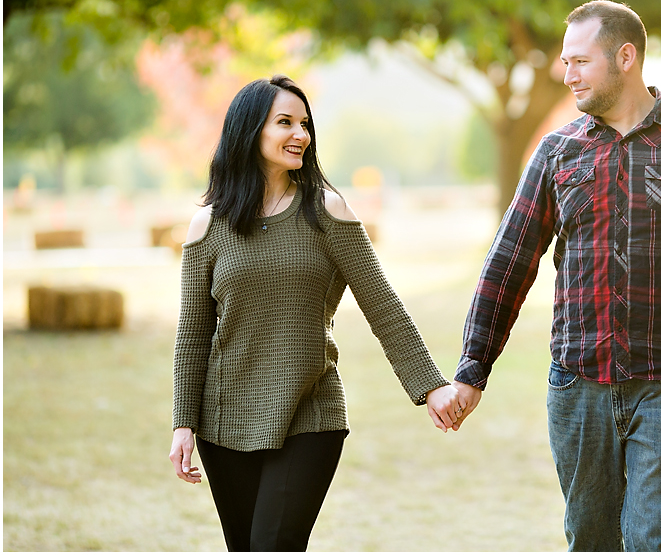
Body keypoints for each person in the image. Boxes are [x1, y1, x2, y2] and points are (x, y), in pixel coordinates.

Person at [450, 0, 661, 551]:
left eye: (580, 61)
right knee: (590, 540)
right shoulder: (558, 152)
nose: (568, 75)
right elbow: (509, 261)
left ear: (625, 57)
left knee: (654, 541)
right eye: (566, 62)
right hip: (577, 383)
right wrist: (472, 368)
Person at [168, 74, 464, 552]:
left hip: (311, 413)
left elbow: (382, 306)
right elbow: (193, 332)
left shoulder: (328, 211)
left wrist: (429, 386)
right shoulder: (209, 224)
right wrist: (184, 421)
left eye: (304, 124)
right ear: (249, 131)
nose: (301, 135)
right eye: (285, 122)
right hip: (224, 421)